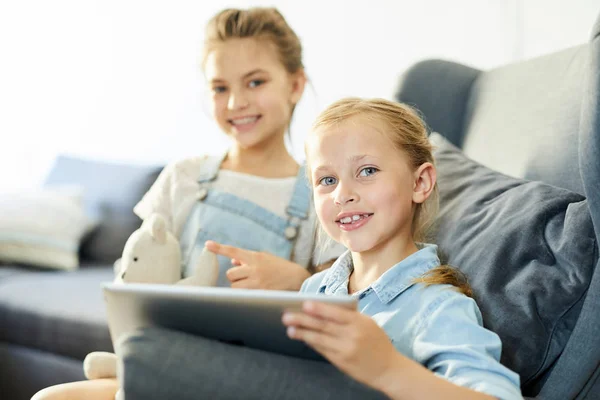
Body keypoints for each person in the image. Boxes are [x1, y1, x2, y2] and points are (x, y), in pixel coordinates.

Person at [110, 98, 523, 400]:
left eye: (367, 171)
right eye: (326, 180)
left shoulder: (436, 306)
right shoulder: (319, 290)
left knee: (146, 355)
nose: (343, 194)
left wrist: (388, 369)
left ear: (420, 183)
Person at [32, 7, 342, 400]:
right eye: (220, 88)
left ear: (295, 84)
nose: (235, 103)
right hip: (160, 361)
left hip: (252, 378)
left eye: (255, 82)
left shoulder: (323, 191)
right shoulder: (185, 177)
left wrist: (299, 279)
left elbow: (347, 303)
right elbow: (131, 278)